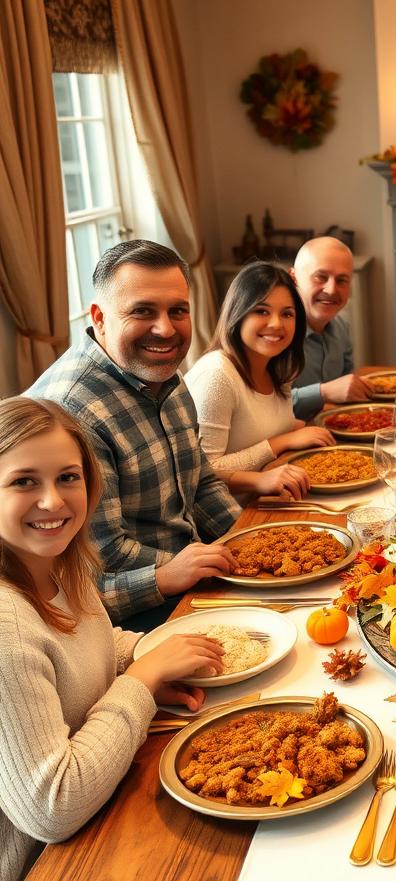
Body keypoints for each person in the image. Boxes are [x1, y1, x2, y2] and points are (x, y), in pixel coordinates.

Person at [0, 397, 234, 881]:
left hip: (65, 860)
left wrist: (152, 653)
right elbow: (52, 804)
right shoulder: (4, 622)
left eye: (67, 477)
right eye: (24, 481)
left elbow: (95, 649)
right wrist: (142, 682)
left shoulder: (54, 566)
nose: (53, 501)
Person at [27, 239, 239, 629]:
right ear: (100, 317)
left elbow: (202, 482)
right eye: (143, 311)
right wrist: (210, 562)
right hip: (137, 611)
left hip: (193, 572)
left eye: (178, 311)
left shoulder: (160, 372)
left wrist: (250, 541)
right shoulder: (72, 412)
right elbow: (104, 558)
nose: (165, 328)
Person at [186, 262, 334, 498]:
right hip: (232, 514)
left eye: (287, 314)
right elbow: (201, 472)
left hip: (278, 497)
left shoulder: (277, 366)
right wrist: (281, 442)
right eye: (261, 311)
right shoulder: (216, 375)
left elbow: (266, 424)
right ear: (238, 313)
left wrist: (308, 430)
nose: (276, 323)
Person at [289, 236, 369, 418]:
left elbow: (346, 393)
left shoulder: (342, 326)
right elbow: (264, 408)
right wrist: (323, 392)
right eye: (320, 277)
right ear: (294, 278)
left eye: (342, 280)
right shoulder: (276, 334)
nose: (332, 290)